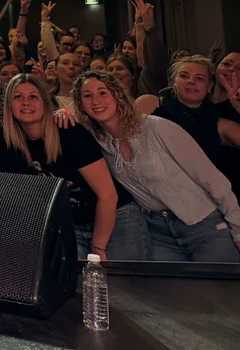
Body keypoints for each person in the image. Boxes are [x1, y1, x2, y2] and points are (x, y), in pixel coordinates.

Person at [74, 72, 240, 262]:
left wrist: (238, 230)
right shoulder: (98, 141)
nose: (96, 101)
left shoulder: (157, 128)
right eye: (87, 96)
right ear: (81, 104)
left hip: (205, 227)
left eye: (102, 92)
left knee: (223, 291)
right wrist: (60, 114)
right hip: (159, 234)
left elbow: (213, 180)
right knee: (168, 292)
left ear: (117, 95)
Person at [4, 74, 147, 260]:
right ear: (9, 105)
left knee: (125, 287)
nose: (26, 103)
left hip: (116, 219)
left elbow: (108, 195)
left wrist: (97, 247)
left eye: (33, 96)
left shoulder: (68, 132)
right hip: (72, 225)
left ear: (45, 103)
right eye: (17, 97)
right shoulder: (12, 145)